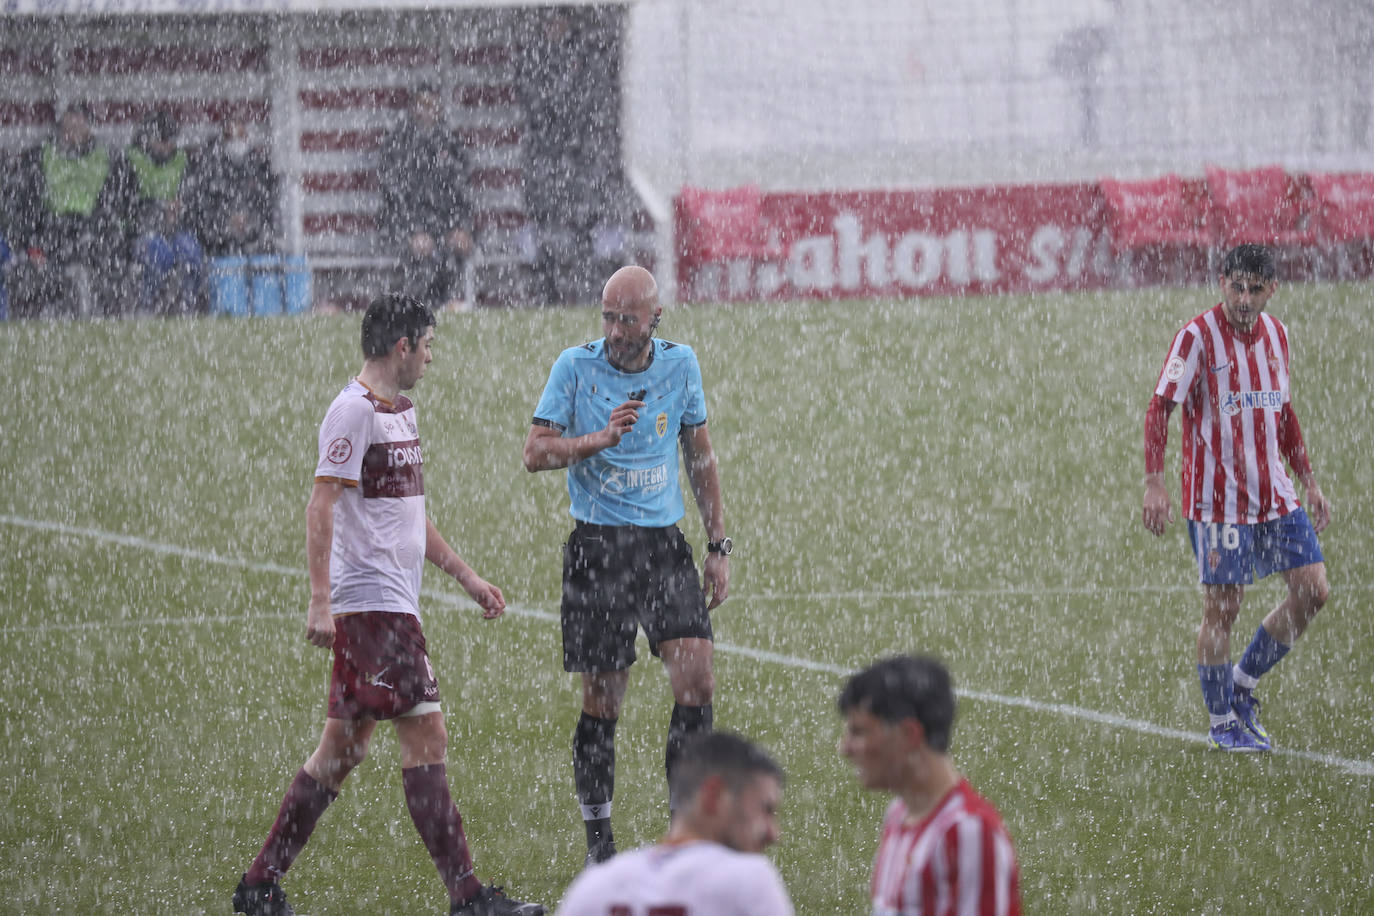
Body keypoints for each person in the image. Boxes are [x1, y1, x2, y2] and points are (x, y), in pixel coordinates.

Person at [233, 294, 543, 916]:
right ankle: (467, 897)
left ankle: (259, 886)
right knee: (427, 735)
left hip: (394, 606)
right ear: (402, 346)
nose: (431, 357)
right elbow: (320, 504)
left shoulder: (400, 413)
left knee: (341, 752)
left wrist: (467, 577)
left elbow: (409, 516)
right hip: (374, 608)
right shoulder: (353, 411)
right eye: (427, 345)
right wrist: (320, 601)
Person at [523, 265, 731, 866]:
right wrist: (597, 439)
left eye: (628, 320)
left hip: (663, 547)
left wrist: (718, 546)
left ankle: (684, 835)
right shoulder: (574, 367)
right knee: (603, 702)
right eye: (608, 318)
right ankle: (601, 848)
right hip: (598, 550)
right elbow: (534, 453)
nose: (615, 331)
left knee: (697, 680)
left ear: (655, 320)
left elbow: (700, 456)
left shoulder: (681, 365)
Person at [1142, 243, 1332, 753]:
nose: (1244, 299)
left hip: (1275, 495)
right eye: (1236, 287)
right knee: (1223, 608)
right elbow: (1160, 408)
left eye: (1255, 289)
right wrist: (1155, 481)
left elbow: (1283, 414)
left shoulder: (1277, 335)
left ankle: (1243, 685)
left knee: (1314, 590)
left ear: (1273, 289)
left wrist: (1309, 479)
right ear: (1222, 282)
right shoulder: (1196, 338)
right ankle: (1222, 721)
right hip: (1217, 503)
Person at [838, 655, 1022, 916]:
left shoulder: (967, 832)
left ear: (909, 734)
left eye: (858, 732)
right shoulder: (899, 814)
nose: (845, 748)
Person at [555, 731, 792, 916]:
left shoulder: (595, 887)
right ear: (714, 796)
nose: (773, 834)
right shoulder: (748, 881)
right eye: (765, 809)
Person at [7, 102, 134, 317]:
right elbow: (26, 205)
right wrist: (31, 243)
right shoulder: (40, 156)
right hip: (52, 231)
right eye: (68, 127)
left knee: (105, 251)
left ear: (89, 127)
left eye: (78, 126)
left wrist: (103, 228)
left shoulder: (109, 158)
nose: (72, 132)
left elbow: (118, 203)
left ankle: (94, 308)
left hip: (93, 231)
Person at [377, 83, 475, 310]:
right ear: (412, 107)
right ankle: (420, 305)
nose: (426, 110)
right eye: (421, 104)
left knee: (455, 247)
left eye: (431, 105)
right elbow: (393, 198)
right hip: (404, 226)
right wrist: (413, 230)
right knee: (422, 252)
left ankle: (449, 303)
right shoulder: (397, 144)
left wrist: (460, 227)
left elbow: (462, 192)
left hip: (444, 224)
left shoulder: (451, 143)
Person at [126, 108, 205, 313]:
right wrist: (159, 210)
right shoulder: (131, 161)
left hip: (176, 230)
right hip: (142, 234)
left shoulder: (183, 162)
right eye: (160, 139)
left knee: (191, 252)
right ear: (148, 138)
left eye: (169, 139)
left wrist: (180, 209)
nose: (165, 145)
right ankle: (147, 306)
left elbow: (195, 201)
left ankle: (187, 306)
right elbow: (127, 206)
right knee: (159, 253)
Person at [185, 114, 280, 258]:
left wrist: (249, 221)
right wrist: (226, 221)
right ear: (223, 139)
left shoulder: (260, 168)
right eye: (230, 136)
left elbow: (268, 206)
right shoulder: (210, 168)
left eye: (240, 135)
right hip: (218, 246)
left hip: (256, 244)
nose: (236, 142)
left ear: (247, 136)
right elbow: (201, 210)